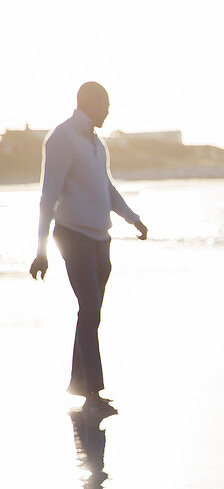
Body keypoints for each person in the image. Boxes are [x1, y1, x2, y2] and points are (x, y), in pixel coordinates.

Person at [30, 82, 149, 416]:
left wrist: (133, 219)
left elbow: (106, 189)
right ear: (89, 102)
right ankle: (92, 393)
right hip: (74, 237)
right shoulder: (61, 138)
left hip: (101, 240)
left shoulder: (97, 143)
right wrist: (40, 250)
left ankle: (80, 384)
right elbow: (47, 195)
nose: (109, 110)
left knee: (90, 313)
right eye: (105, 103)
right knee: (90, 307)